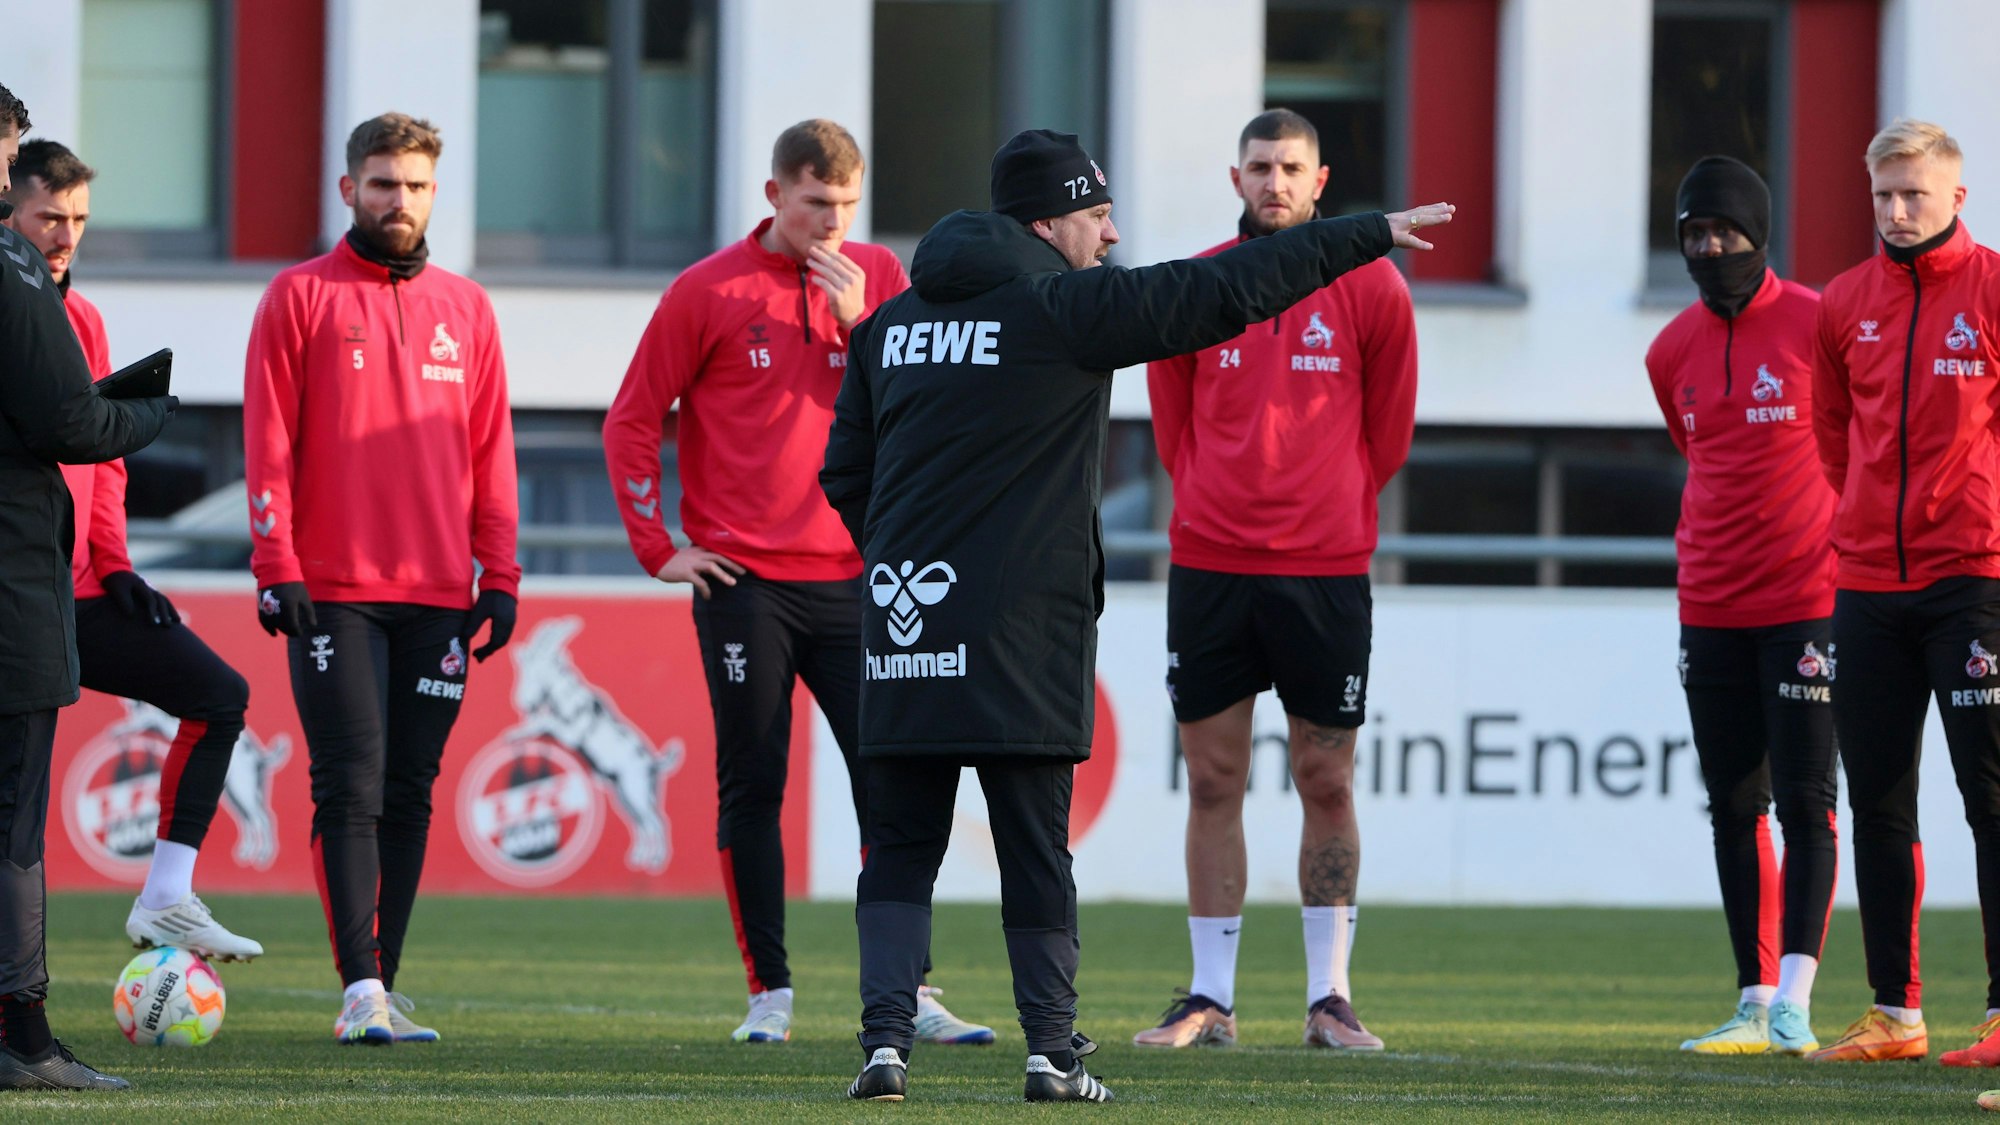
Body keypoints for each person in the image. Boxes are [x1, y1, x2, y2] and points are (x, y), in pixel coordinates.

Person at [822, 127, 1452, 1103]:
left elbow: (844, 474)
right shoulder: (1064, 310)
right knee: (1033, 845)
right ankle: (1050, 1055)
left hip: (905, 622)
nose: (1110, 234)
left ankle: (883, 1047)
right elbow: (1222, 292)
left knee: (900, 845)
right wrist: (1363, 233)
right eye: (1095, 214)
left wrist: (908, 565)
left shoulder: (886, 328)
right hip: (1021, 630)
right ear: (1047, 222)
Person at [604, 119, 991, 1047]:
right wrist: (659, 547)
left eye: (847, 206)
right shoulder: (707, 290)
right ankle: (769, 992)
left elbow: (936, 405)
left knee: (892, 781)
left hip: (863, 578)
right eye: (816, 202)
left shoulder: (887, 282)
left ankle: (913, 988)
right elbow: (630, 419)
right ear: (774, 194)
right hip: (744, 581)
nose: (832, 223)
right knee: (755, 781)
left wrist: (867, 326)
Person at [1135, 108, 1414, 1054]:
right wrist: (1225, 499)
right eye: (1260, 167)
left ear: (1321, 180)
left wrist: (1322, 510)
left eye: (1291, 168)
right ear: (1236, 177)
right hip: (1211, 564)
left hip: (1324, 572)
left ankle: (1330, 998)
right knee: (1213, 779)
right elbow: (1173, 425)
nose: (1275, 183)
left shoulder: (1372, 288)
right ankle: (1210, 996)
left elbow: (1389, 436)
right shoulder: (1203, 283)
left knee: (1323, 774)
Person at [243, 113, 519, 1046]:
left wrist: (502, 572)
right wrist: (275, 562)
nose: (398, 202)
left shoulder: (468, 308)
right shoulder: (298, 297)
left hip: (440, 593)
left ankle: (382, 987)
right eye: (382, 184)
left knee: (410, 789)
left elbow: (492, 452)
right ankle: (358, 988)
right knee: (349, 785)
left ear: (435, 192)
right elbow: (268, 441)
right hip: (334, 590)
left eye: (415, 186)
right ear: (348, 190)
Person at [1, 140, 261, 963]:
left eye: (79, 218)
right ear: (12, 209)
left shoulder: (83, 316)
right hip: (20, 591)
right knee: (18, 808)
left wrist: (113, 563)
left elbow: (102, 461)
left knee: (219, 694)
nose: (66, 234)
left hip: (77, 588)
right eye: (50, 216)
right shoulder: (17, 303)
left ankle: (166, 897)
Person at [1808, 118, 2000, 1066]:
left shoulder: (1996, 288)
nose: (1894, 211)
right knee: (1880, 801)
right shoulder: (1844, 301)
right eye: (1882, 194)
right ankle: (1897, 1014)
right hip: (1870, 586)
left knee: (1992, 797)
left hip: (1977, 581)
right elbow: (1834, 434)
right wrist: (1871, 522)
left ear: (1955, 197)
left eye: (1912, 194)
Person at [0, 83, 176, 1091]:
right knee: (14, 819)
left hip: (53, 577)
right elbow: (72, 427)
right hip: (14, 586)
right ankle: (23, 1039)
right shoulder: (9, 266)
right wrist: (148, 412)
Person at [1643, 156, 1838, 1057]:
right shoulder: (1669, 348)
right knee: (1732, 802)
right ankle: (1753, 997)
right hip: (1709, 603)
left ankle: (1797, 998)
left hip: (1807, 602)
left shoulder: (1818, 324)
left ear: (1762, 234)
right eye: (1693, 233)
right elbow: (1693, 447)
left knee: (1807, 799)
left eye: (1724, 231)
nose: (1710, 247)